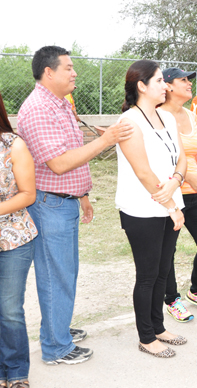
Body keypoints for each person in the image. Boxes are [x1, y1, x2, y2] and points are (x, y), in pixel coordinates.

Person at [17, 46, 133, 365]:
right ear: (49, 72)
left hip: (63, 202)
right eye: (68, 67)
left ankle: (58, 330)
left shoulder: (60, 104)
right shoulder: (40, 108)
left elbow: (73, 150)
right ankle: (56, 346)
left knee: (64, 273)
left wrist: (82, 195)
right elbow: (57, 163)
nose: (75, 72)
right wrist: (107, 140)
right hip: (50, 205)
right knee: (57, 276)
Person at [116, 60, 187, 358]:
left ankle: (158, 327)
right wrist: (171, 204)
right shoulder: (129, 122)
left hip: (171, 203)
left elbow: (181, 158)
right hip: (142, 209)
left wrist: (176, 182)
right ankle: (146, 337)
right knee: (147, 274)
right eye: (159, 81)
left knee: (162, 271)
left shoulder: (167, 118)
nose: (166, 85)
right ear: (142, 86)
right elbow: (144, 173)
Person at [159, 68, 197, 320]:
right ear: (168, 86)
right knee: (167, 252)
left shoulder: (190, 115)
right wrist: (186, 176)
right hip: (171, 194)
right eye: (183, 80)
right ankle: (171, 299)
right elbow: (160, 157)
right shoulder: (157, 116)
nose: (188, 84)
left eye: (188, 80)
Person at [0, 92, 37, 388]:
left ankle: (16, 373)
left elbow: (27, 194)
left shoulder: (13, 145)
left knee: (9, 309)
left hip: (13, 238)